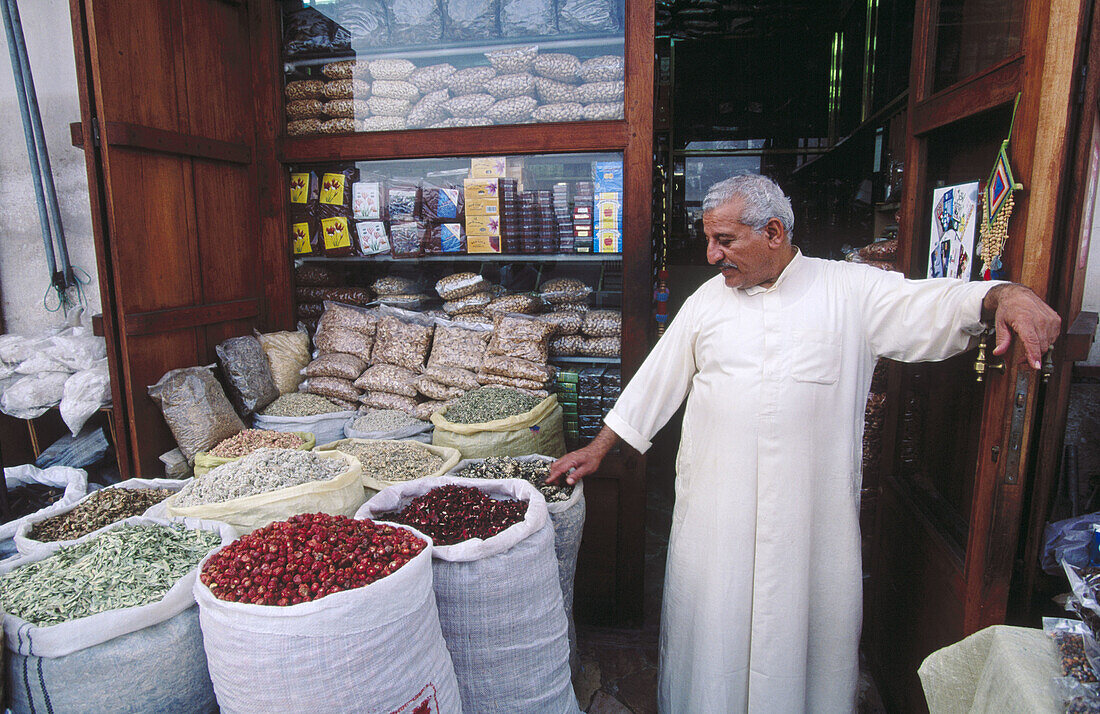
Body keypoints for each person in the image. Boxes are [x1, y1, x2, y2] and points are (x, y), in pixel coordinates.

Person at [547, 174, 1060, 713]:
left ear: (772, 232)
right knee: (710, 631)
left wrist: (1005, 295)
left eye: (724, 240)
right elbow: (658, 378)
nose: (711, 253)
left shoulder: (850, 289)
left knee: (802, 637)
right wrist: (600, 446)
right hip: (717, 515)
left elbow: (928, 303)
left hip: (808, 524)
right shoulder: (708, 301)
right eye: (709, 238)